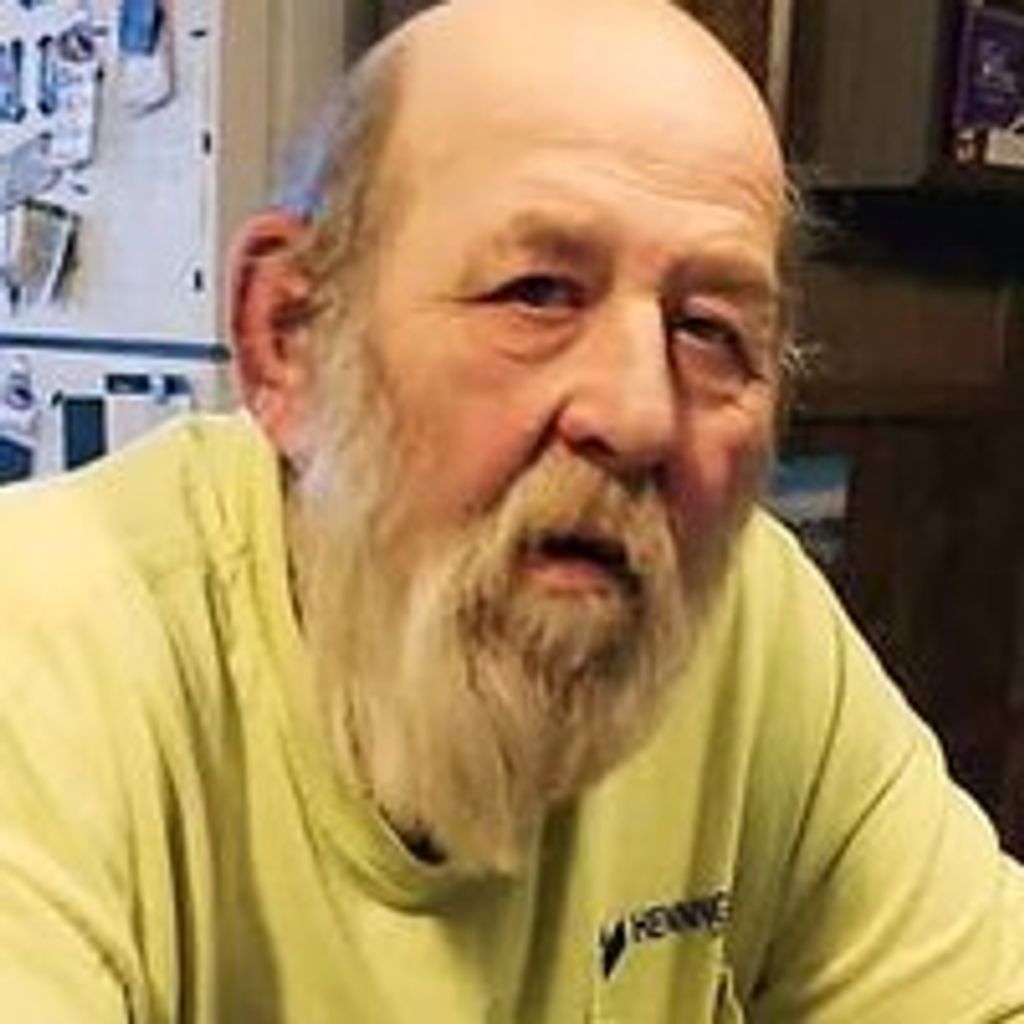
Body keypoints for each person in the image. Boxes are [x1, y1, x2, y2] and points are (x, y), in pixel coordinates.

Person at [1, 0, 1022, 1019]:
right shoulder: (46, 644)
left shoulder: (744, 619)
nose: (639, 413)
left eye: (710, 331)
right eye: (537, 293)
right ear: (292, 337)